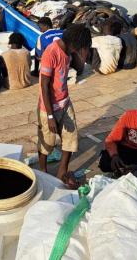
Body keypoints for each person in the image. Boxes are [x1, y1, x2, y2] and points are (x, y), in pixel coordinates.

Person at [38, 24, 92, 185]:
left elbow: (80, 69)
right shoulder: (51, 53)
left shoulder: (69, 52)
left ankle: (62, 171)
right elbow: (44, 85)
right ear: (75, 44)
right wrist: (49, 116)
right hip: (48, 107)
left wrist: (82, 55)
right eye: (82, 46)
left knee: (70, 137)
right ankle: (43, 172)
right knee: (46, 143)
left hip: (65, 102)